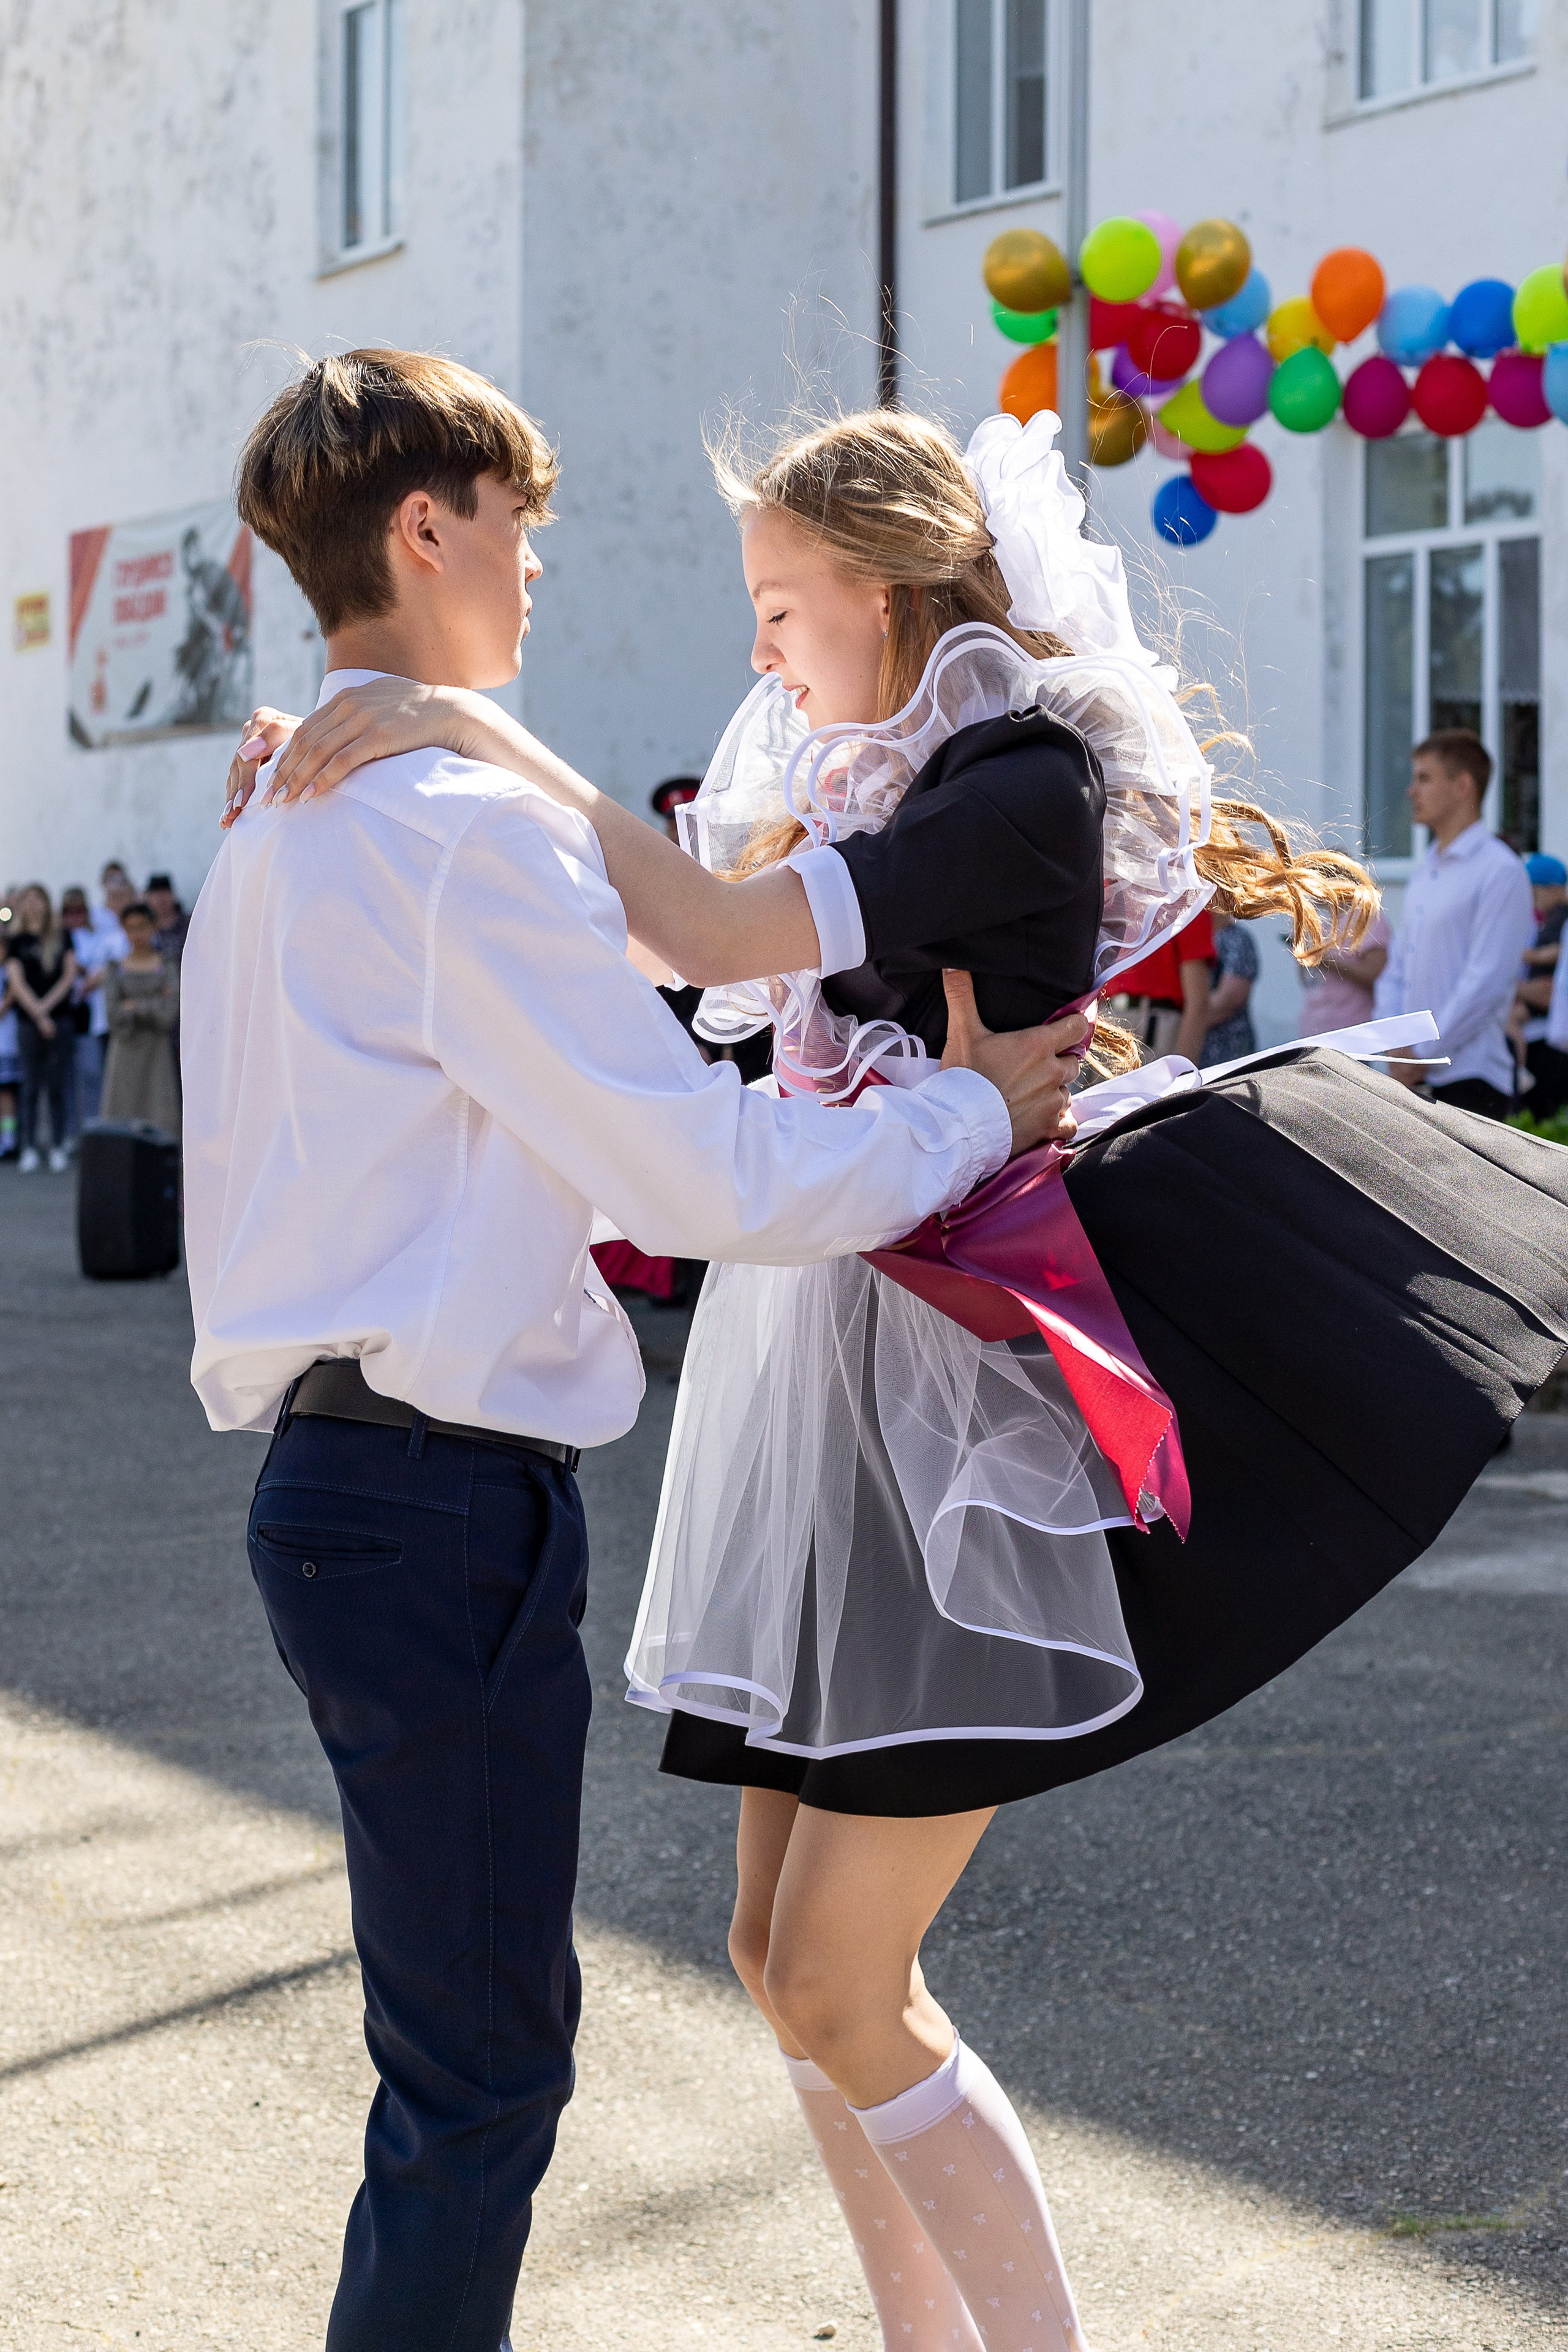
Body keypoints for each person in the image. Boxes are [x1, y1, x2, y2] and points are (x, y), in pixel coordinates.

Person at [236, 402, 1568, 2352]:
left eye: (782, 603)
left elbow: (697, 926)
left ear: (882, 589)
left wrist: (448, 731)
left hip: (960, 1385)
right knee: (776, 1958)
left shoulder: (1008, 783)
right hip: (848, 1348)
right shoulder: (881, 778)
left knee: (836, 1978)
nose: (761, 647)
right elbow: (659, 970)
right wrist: (376, 783)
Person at [193, 347, 1084, 2352]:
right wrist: (972, 1111)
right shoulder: (447, 833)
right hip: (437, 1501)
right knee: (478, 2088)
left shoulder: (274, 827)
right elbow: (697, 1170)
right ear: (426, 527)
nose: (539, 565)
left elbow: (629, 1002)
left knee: (470, 2068)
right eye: (520, 523)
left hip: (338, 1488)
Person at [1376, 730, 1534, 1118]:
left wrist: (1422, 1052)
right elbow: (1397, 969)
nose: (1412, 791)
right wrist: (1393, 1044)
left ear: (1463, 786)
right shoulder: (1426, 870)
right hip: (1410, 1077)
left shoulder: (1500, 870)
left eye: (1424, 778)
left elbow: (1487, 980)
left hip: (1471, 1080)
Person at [6, 884, 80, 1172]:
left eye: (39, 899)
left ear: (48, 904)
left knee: (57, 1085)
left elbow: (69, 976)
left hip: (60, 1020)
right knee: (30, 1086)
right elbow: (16, 982)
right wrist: (39, 1016)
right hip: (28, 1023)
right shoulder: (16, 941)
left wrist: (46, 1011)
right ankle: (28, 1147)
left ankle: (58, 1145)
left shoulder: (62, 936)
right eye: (29, 899)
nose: (34, 904)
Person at [100, 900, 181, 1138]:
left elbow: (169, 1014)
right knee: (121, 1124)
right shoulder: (115, 968)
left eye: (142, 927)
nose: (137, 934)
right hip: (124, 1052)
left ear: (154, 927)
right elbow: (113, 1015)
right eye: (131, 928)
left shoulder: (167, 966)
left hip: (157, 1054)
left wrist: (134, 1006)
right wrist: (153, 1004)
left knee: (160, 1121)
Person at [1110, 902, 1211, 1060]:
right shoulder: (1113, 896)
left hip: (1153, 1028)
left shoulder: (1189, 902)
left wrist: (1184, 1067)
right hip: (1104, 1020)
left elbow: (1198, 1003)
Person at [64, 882, 128, 1130]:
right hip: (83, 1014)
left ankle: (106, 1126)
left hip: (102, 1014)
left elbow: (107, 967)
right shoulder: (67, 937)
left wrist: (91, 978)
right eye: (69, 911)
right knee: (84, 1077)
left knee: (102, 1075)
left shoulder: (104, 933)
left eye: (79, 911)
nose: (75, 917)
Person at [1509, 851, 1568, 1118]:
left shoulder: (1561, 918)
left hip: (1551, 1038)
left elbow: (1555, 959)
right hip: (1542, 1029)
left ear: (1552, 888)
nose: (1531, 900)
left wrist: (1523, 958)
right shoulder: (1544, 920)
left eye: (1534, 893)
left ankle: (1520, 1071)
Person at [1199, 907, 1258, 1066]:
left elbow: (1226, 1002)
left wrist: (1186, 1017)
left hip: (1228, 1053)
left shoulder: (1237, 940)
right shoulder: (1195, 940)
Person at [145, 872, 190, 966]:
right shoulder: (144, 928)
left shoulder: (189, 925)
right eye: (156, 895)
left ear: (173, 895)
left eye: (165, 893)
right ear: (148, 898)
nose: (161, 899)